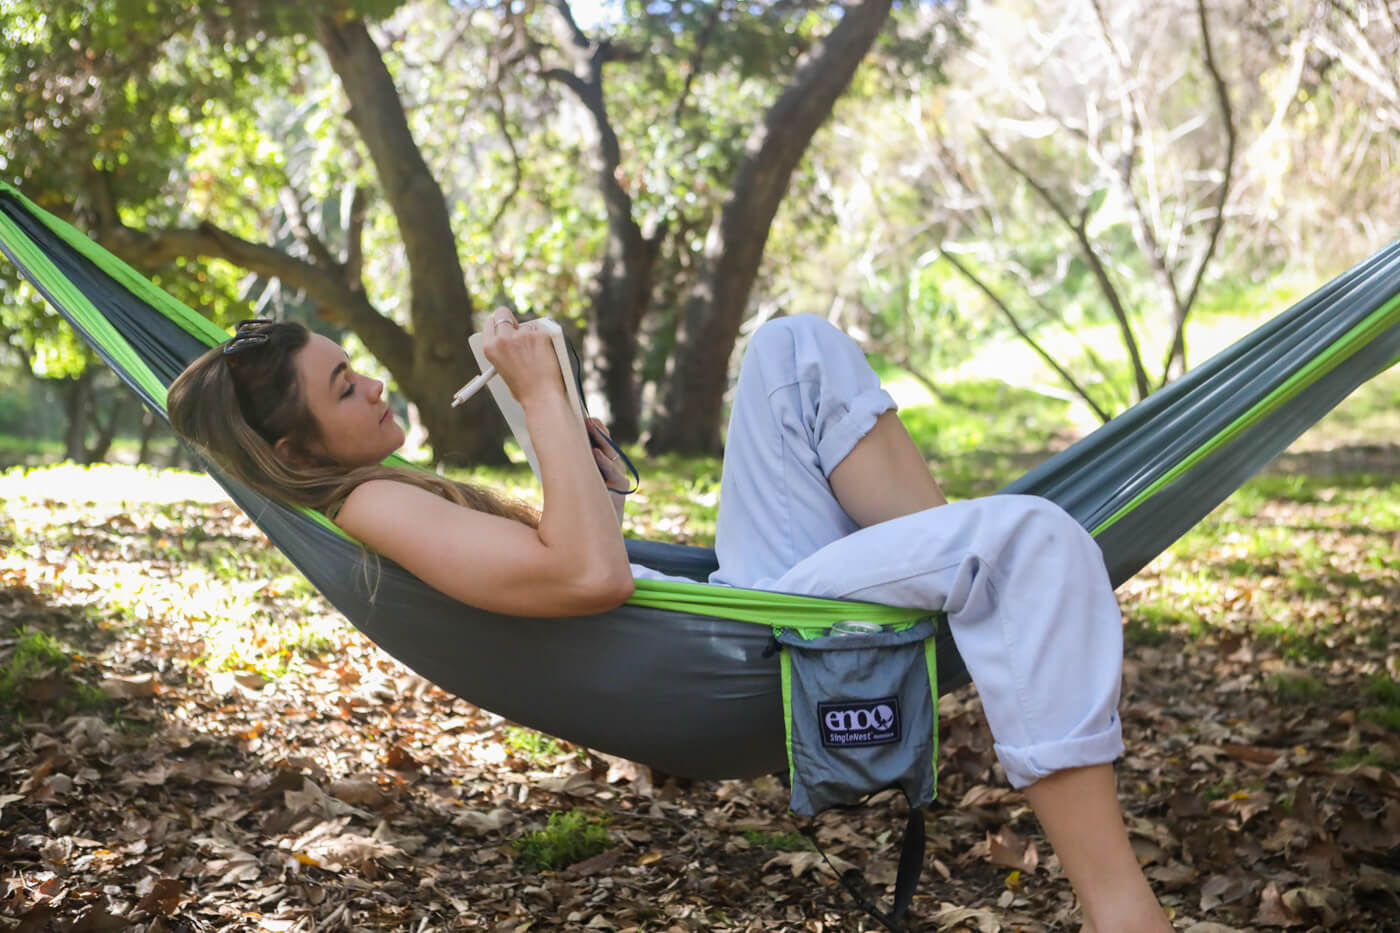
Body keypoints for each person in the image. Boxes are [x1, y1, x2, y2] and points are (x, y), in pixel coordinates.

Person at [167, 308, 1171, 933]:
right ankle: (1119, 910)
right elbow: (592, 581)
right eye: (346, 387)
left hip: (733, 613)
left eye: (355, 365)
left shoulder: (379, 489)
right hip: (745, 647)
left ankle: (947, 577)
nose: (374, 383)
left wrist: (583, 461)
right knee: (1033, 540)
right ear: (300, 448)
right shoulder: (371, 508)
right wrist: (541, 396)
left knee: (792, 346)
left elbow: (579, 553)